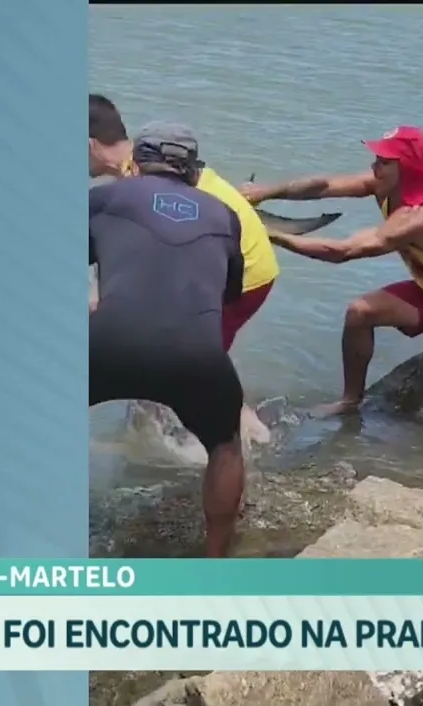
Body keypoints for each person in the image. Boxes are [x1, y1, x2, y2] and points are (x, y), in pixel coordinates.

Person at [89, 121, 247, 557]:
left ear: (136, 163)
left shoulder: (103, 198)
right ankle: (215, 561)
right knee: (225, 446)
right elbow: (230, 293)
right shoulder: (224, 215)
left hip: (106, 342)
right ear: (193, 171)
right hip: (195, 355)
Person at [240, 126, 423, 417]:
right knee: (360, 313)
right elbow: (324, 186)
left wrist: (272, 236)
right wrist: (265, 191)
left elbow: (343, 252)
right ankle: (350, 401)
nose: (373, 166)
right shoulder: (390, 183)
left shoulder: (420, 216)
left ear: (408, 169)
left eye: (384, 162)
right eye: (376, 158)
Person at [89, 93, 277, 442]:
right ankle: (158, 437)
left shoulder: (138, 177)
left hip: (243, 271)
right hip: (237, 262)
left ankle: (246, 438)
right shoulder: (153, 163)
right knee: (173, 354)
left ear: (88, 145)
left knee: (191, 355)